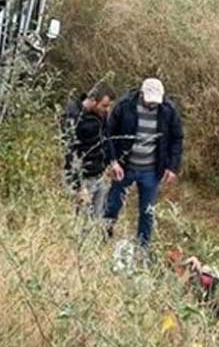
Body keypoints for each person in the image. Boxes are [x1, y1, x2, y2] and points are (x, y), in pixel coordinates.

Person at [103, 78, 184, 249]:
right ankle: (104, 235)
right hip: (124, 167)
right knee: (113, 205)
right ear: (141, 94)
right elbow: (109, 133)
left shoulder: (168, 111)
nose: (152, 104)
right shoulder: (124, 106)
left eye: (156, 101)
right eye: (149, 100)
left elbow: (177, 138)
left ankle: (143, 248)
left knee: (147, 212)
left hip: (151, 170)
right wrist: (113, 161)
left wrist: (172, 166)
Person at [63, 82, 116, 217]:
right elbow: (69, 152)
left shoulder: (102, 114)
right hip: (83, 177)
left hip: (100, 175)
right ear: (92, 100)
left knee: (97, 219)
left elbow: (106, 138)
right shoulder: (73, 116)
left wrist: (113, 162)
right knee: (82, 221)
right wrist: (79, 186)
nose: (108, 109)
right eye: (104, 105)